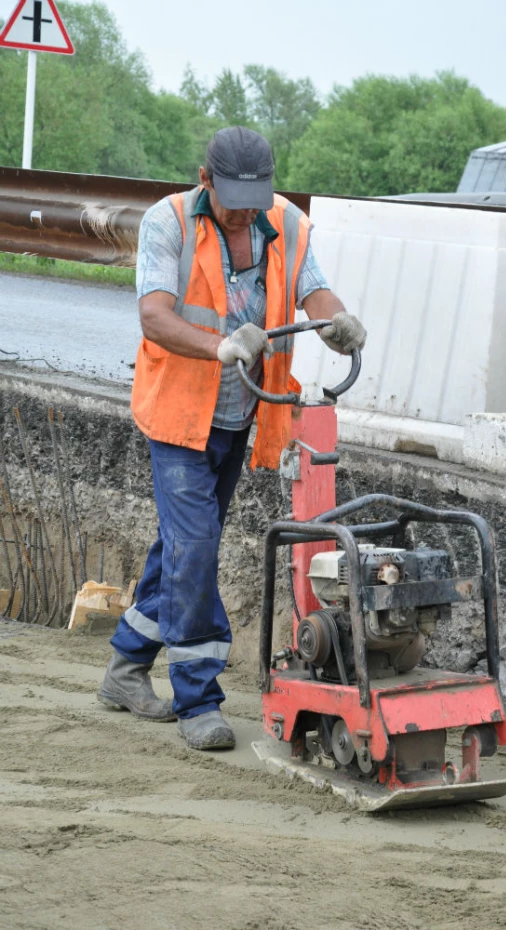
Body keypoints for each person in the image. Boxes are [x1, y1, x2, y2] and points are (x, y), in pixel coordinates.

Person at [97, 126, 366, 751]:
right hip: (177, 415)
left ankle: (125, 667)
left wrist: (337, 321)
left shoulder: (287, 223)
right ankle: (198, 698)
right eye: (233, 198)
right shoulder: (169, 224)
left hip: (241, 415)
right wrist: (219, 345)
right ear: (205, 179)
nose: (246, 211)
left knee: (181, 545)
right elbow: (155, 315)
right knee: (195, 547)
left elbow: (312, 288)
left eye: (256, 197)